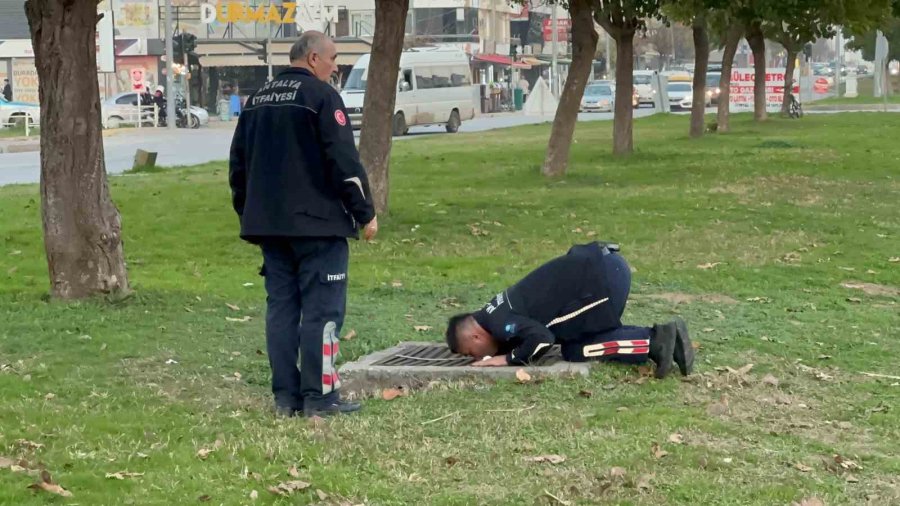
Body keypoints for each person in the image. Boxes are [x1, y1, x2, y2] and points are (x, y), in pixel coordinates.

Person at [229, 31, 378, 418]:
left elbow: (238, 166)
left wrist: (249, 213)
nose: (335, 66)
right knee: (322, 312)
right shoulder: (322, 97)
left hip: (270, 227)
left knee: (281, 310)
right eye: (333, 59)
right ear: (313, 58)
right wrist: (365, 212)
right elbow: (343, 161)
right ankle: (320, 397)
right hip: (318, 226)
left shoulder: (257, 100)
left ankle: (286, 398)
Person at [445, 242, 693, 379]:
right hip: (605, 268)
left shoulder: (499, 322)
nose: (476, 358)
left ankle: (653, 342)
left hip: (602, 279)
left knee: (575, 350)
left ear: (476, 336)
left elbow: (542, 340)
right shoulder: (494, 313)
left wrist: (507, 359)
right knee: (578, 339)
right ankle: (668, 339)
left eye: (471, 353)